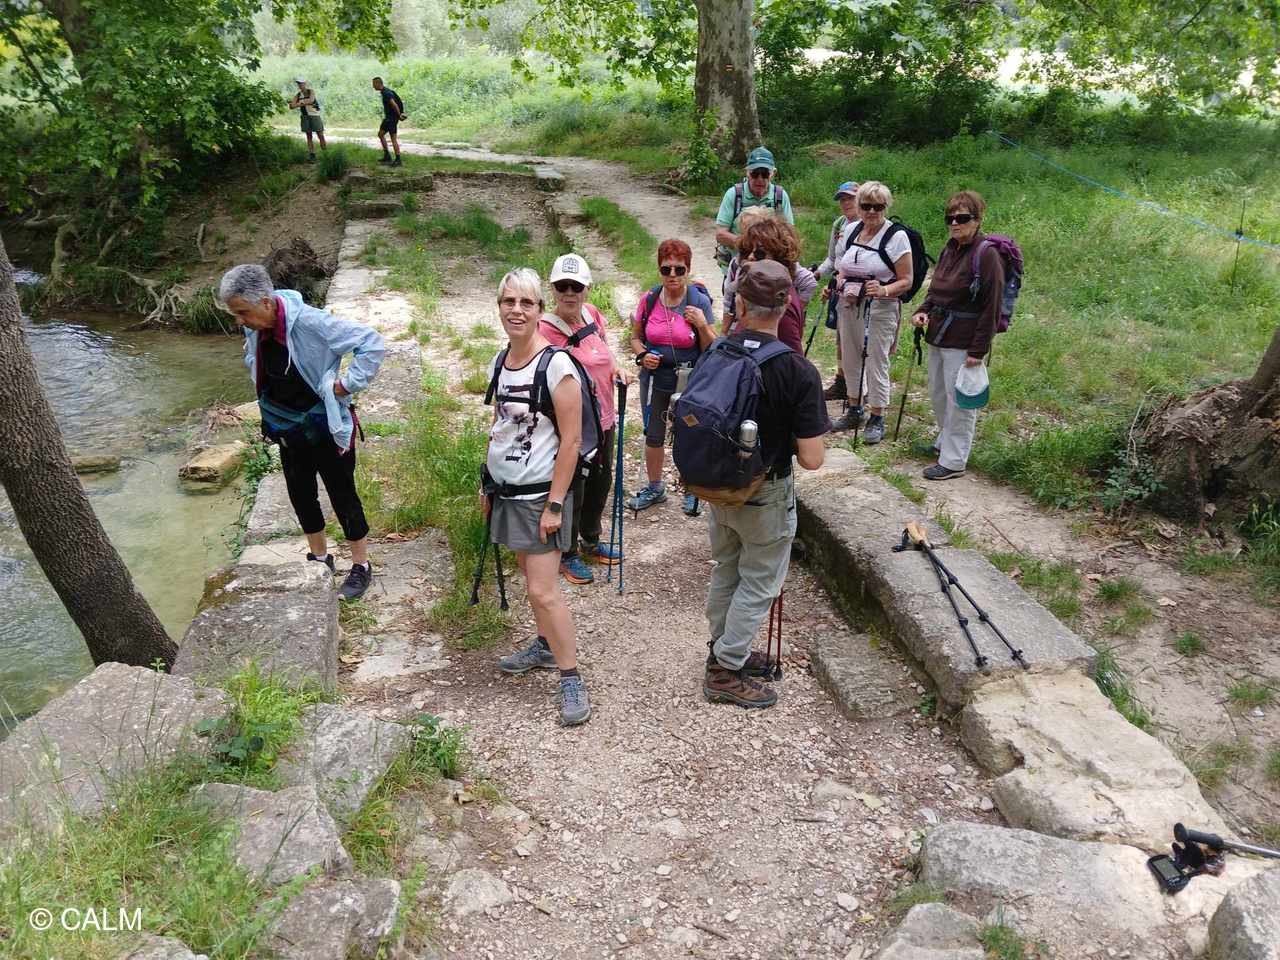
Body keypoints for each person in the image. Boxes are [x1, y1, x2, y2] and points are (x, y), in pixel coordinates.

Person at [703, 260, 828, 709]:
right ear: (788, 305)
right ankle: (725, 669)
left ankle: (722, 647)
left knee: (727, 568)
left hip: (717, 487)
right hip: (766, 492)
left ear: (739, 303)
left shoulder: (717, 351)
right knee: (759, 582)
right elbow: (812, 458)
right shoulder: (798, 371)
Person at [218, 264, 385, 601]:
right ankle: (320, 559)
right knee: (300, 493)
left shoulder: (311, 322)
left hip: (324, 426)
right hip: (286, 428)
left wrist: (345, 385)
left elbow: (371, 343)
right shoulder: (256, 327)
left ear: (266, 302)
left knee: (342, 493)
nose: (239, 321)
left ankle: (360, 565)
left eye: (242, 312)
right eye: (235, 314)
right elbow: (255, 360)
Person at [486, 269, 592, 726]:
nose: (517, 310)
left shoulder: (557, 367)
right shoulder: (500, 361)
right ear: (499, 307)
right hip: (508, 493)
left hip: (540, 497)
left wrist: (554, 505)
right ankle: (546, 646)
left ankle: (571, 678)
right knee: (529, 575)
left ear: (539, 310)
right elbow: (499, 427)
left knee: (543, 590)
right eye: (509, 301)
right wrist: (488, 485)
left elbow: (572, 441)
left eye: (526, 303)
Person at [539, 253, 629, 585]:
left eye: (575, 286)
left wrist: (616, 367)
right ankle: (567, 552)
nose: (569, 293)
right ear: (552, 289)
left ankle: (591, 539)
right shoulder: (544, 330)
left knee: (601, 481)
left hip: (604, 417)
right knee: (572, 487)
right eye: (562, 286)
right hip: (572, 425)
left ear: (587, 288)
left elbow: (603, 351)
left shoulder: (592, 315)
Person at [911, 191, 1004, 481]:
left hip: (963, 341)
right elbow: (936, 289)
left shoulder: (987, 255)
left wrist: (978, 350)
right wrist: (923, 310)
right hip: (938, 334)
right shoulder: (949, 248)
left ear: (977, 220)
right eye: (949, 218)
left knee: (959, 403)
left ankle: (953, 461)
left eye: (962, 218)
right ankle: (944, 443)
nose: (954, 223)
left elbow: (992, 307)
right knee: (939, 395)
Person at [628, 239, 716, 516]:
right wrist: (643, 355)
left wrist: (701, 324)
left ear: (688, 269)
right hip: (655, 378)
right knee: (653, 434)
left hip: (689, 379)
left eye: (679, 269)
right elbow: (635, 338)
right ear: (659, 270)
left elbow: (712, 347)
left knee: (690, 433)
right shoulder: (649, 299)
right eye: (666, 269)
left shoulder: (699, 302)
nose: (673, 275)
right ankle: (655, 487)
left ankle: (692, 489)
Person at [831, 181, 914, 442]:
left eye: (878, 207)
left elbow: (907, 280)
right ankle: (855, 409)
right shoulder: (852, 230)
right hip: (849, 303)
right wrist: (837, 282)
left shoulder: (896, 237)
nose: (872, 211)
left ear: (886, 207)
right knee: (851, 357)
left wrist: (884, 290)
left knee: (877, 360)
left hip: (881, 307)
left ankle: (877, 416)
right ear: (859, 206)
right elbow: (841, 266)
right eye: (866, 206)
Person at [722, 218, 808, 353]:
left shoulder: (778, 304)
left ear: (779, 257)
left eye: (760, 253)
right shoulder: (764, 293)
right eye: (747, 251)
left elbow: (792, 357)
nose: (750, 257)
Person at [714, 146, 795, 273]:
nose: (760, 179)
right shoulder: (734, 194)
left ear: (773, 173)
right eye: (755, 173)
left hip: (771, 270)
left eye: (765, 174)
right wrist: (749, 245)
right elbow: (720, 234)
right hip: (737, 268)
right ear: (747, 172)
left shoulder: (779, 196)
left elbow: (789, 234)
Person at [813, 181, 860, 400]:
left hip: (859, 290)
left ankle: (858, 386)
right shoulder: (839, 224)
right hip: (838, 288)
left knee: (857, 340)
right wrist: (816, 274)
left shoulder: (869, 225)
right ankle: (842, 382)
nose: (846, 203)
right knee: (841, 337)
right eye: (842, 199)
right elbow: (832, 259)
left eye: (850, 198)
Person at [288, 78, 327, 162]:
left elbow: (311, 100)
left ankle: (325, 154)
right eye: (298, 83)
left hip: (314, 115)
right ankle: (312, 155)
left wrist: (298, 103)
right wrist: (294, 103)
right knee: (309, 136)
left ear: (305, 83)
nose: (300, 85)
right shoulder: (298, 95)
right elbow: (291, 106)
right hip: (305, 116)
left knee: (320, 135)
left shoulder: (311, 91)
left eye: (301, 83)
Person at [371, 77, 405, 166]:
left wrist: (399, 115)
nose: (373, 86)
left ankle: (398, 160)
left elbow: (394, 105)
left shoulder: (386, 93)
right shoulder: (385, 91)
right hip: (388, 119)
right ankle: (387, 156)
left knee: (393, 139)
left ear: (378, 83)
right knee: (380, 134)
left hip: (391, 119)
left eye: (374, 84)